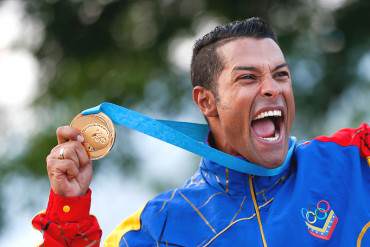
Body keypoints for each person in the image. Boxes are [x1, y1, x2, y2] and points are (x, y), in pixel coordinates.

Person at [32, 17, 369, 246]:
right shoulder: (162, 225)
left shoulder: (352, 159)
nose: (272, 89)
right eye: (248, 78)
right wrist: (69, 207)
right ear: (206, 101)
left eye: (281, 75)